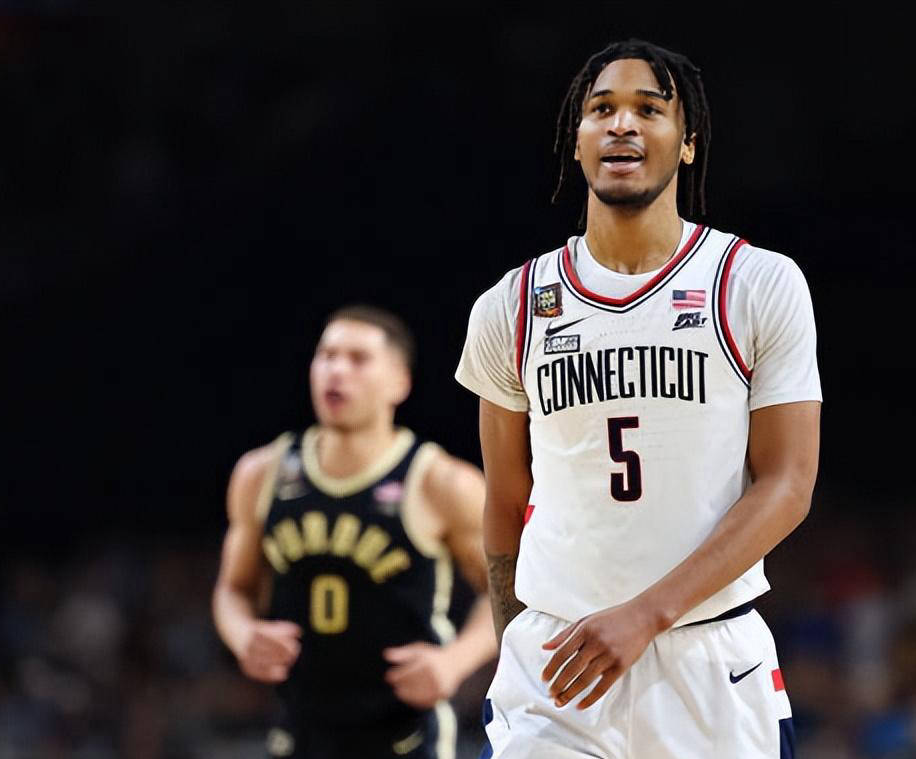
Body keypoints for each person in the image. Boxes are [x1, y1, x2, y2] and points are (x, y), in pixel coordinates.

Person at [455, 40, 821, 758]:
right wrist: (513, 645)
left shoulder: (756, 282)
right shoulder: (513, 305)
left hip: (709, 660)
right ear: (578, 140)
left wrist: (646, 614)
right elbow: (505, 500)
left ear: (687, 143)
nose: (622, 123)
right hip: (558, 662)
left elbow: (788, 484)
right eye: (602, 109)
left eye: (648, 110)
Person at [214, 305, 497, 759]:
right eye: (327, 355)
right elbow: (233, 589)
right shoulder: (262, 473)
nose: (337, 370)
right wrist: (243, 634)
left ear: (400, 382)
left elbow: (505, 592)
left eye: (358, 359)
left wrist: (454, 661)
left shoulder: (440, 481)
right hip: (297, 730)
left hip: (407, 735)